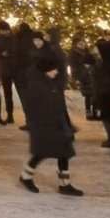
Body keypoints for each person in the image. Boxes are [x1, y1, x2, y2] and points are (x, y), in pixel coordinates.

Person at [19, 57, 83, 196]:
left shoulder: (50, 83)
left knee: (63, 154)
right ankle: (25, 177)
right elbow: (36, 109)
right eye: (53, 69)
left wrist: (67, 124)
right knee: (41, 153)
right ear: (45, 70)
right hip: (46, 126)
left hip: (58, 125)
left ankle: (64, 184)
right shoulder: (38, 86)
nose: (56, 72)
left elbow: (59, 106)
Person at [0, 21, 17, 124]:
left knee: (21, 93)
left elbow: (19, 51)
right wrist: (1, 54)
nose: (4, 32)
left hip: (15, 68)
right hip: (5, 69)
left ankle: (27, 116)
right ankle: (10, 115)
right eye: (2, 30)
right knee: (8, 94)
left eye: (5, 30)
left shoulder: (15, 38)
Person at [68, 35, 96, 120]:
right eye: (80, 44)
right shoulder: (74, 54)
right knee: (88, 95)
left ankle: (95, 112)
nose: (82, 45)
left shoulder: (88, 52)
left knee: (94, 95)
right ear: (75, 45)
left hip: (91, 75)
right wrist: (79, 77)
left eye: (83, 43)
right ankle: (88, 113)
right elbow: (74, 67)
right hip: (83, 77)